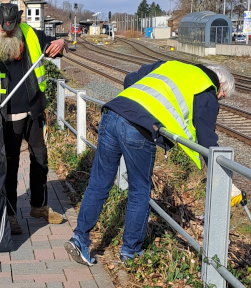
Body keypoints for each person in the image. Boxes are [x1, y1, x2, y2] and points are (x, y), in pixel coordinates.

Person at [64, 60, 235, 266]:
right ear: (221, 88)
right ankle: (130, 251)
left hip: (112, 113)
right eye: (221, 98)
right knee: (139, 190)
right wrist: (224, 177)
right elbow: (207, 139)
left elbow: (130, 79)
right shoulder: (206, 88)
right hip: (138, 128)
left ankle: (79, 238)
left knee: (99, 183)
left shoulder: (173, 65)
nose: (218, 100)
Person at [0, 3, 67, 235]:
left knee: (41, 159)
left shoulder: (31, 35)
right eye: (4, 28)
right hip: (6, 116)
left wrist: (61, 43)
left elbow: (56, 47)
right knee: (11, 165)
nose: (8, 31)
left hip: (34, 111)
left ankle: (39, 206)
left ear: (17, 22)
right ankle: (11, 214)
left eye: (12, 27)